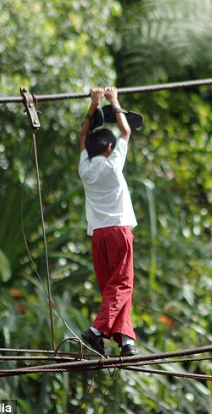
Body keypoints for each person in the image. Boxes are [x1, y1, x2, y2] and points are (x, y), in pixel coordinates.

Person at [78, 86, 137, 357]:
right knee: (122, 285)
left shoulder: (85, 169)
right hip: (119, 232)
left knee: (112, 289)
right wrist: (114, 102)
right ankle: (97, 331)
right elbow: (126, 132)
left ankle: (126, 341)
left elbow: (82, 135)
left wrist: (94, 104)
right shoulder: (114, 166)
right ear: (110, 148)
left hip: (99, 236)